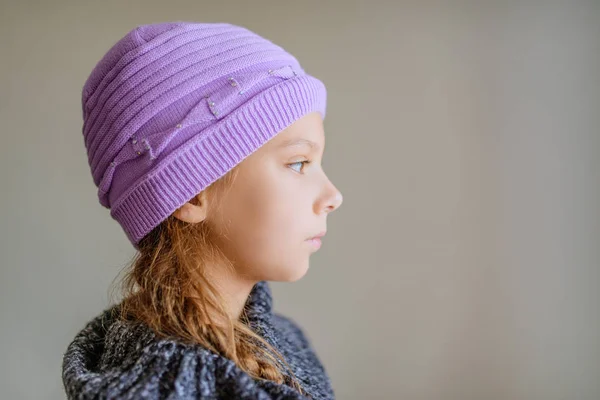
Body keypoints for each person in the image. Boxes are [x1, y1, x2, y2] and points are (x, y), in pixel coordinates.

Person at [61, 21, 343, 399]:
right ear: (190, 195)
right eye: (298, 163)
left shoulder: (284, 341)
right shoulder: (172, 384)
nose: (333, 196)